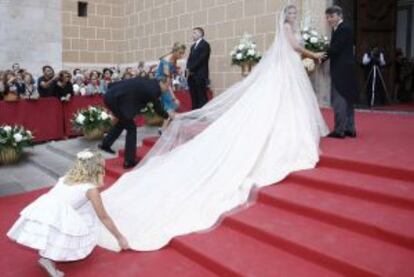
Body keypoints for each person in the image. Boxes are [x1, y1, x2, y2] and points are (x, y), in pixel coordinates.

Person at [97, 5, 328, 252]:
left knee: (288, 98)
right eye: (290, 14)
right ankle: (126, 156)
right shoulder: (285, 29)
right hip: (288, 66)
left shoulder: (157, 78)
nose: (292, 17)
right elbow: (293, 46)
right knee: (129, 126)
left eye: (294, 14)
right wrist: (314, 56)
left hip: (289, 67)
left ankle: (109, 144)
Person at [7, 149, 129, 277]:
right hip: (58, 212)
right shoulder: (91, 189)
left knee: (52, 230)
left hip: (45, 206)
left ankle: (46, 257)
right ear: (97, 168)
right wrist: (119, 237)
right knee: (67, 230)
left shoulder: (66, 178)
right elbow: (103, 217)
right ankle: (47, 259)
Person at [98, 77, 171, 169]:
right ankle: (129, 161)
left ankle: (105, 144)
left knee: (123, 122)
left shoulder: (149, 82)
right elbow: (157, 108)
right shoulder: (154, 89)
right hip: (116, 100)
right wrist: (168, 116)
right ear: (162, 83)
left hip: (111, 95)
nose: (167, 89)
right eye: (167, 86)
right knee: (131, 128)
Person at [324, 5, 359, 138]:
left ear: (339, 15)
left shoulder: (344, 28)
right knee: (347, 98)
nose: (329, 19)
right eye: (327, 17)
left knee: (339, 99)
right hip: (347, 69)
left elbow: (335, 49)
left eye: (332, 16)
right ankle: (350, 128)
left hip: (341, 70)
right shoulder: (340, 28)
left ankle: (339, 130)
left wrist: (319, 58)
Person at [186, 27, 211, 110]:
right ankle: (194, 112)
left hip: (200, 74)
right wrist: (187, 69)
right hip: (191, 75)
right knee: (193, 95)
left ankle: (203, 113)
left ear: (200, 34)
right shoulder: (193, 46)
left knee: (201, 95)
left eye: (194, 33)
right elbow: (190, 59)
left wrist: (190, 68)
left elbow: (201, 59)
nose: (192, 35)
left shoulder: (205, 45)